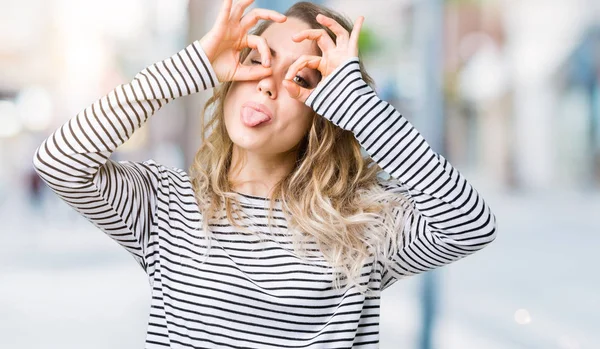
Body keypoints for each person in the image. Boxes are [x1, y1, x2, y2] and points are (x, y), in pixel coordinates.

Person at [32, 0, 497, 347]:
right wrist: (192, 65)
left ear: (325, 111)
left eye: (303, 79)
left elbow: (470, 225)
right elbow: (59, 161)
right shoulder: (166, 203)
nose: (269, 84)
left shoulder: (361, 224)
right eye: (257, 59)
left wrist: (357, 106)